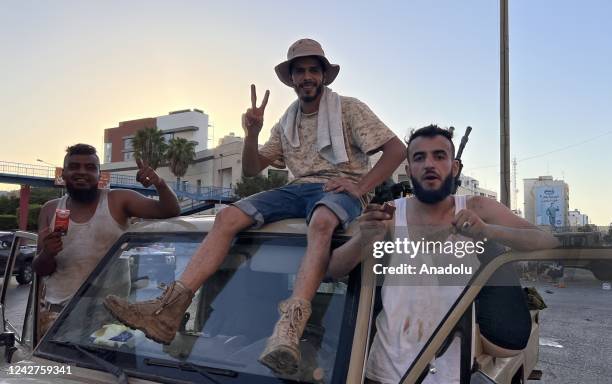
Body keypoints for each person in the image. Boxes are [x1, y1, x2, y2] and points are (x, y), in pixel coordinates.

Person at [104, 38, 406, 375]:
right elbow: (252, 168)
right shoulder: (286, 122)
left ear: (323, 76)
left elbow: (396, 149)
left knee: (322, 222)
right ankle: (168, 312)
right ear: (291, 79)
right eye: (299, 71)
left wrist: (360, 186)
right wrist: (252, 133)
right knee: (228, 215)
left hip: (338, 189)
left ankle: (288, 331)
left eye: (312, 70)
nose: (306, 76)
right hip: (296, 189)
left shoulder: (349, 109)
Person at [326, 125, 559, 383]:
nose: (429, 164)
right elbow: (334, 269)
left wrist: (489, 232)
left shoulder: (478, 208)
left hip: (452, 372)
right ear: (409, 169)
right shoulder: (389, 214)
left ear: (455, 167)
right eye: (419, 157)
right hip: (384, 373)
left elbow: (546, 240)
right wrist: (364, 239)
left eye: (439, 156)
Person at [34, 144, 180, 334]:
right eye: (74, 166)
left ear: (99, 174)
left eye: (90, 167)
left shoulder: (117, 201)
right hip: (58, 313)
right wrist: (47, 253)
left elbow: (170, 210)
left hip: (109, 314)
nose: (82, 172)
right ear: (63, 173)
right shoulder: (50, 209)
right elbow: (40, 269)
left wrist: (159, 183)